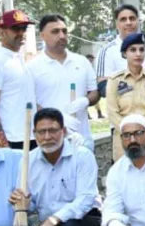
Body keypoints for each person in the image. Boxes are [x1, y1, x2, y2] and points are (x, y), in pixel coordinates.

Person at [16, 108, 101, 226]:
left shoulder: (82, 156)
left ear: (63, 131)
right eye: (41, 132)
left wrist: (54, 220)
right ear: (34, 134)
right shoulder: (27, 162)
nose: (47, 137)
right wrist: (21, 202)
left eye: (53, 130)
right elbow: (30, 205)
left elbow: (85, 200)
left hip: (85, 220)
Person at [29, 14, 99, 149]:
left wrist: (86, 101)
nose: (62, 36)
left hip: (82, 139)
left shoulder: (81, 62)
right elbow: (31, 102)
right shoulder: (32, 67)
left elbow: (94, 92)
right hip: (50, 142)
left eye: (64, 31)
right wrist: (57, 119)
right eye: (55, 31)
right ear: (42, 35)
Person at [105, 33, 145, 159]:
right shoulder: (115, 80)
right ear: (124, 53)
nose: (138, 54)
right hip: (125, 140)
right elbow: (112, 112)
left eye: (141, 50)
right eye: (133, 50)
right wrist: (130, 135)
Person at [0, 9, 36, 149]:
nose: (21, 33)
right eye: (15, 28)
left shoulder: (19, 58)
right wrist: (0, 138)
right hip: (13, 139)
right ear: (2, 32)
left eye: (24, 28)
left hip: (31, 135)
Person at [97, 4, 145, 94]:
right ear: (117, 24)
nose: (128, 23)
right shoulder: (107, 51)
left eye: (132, 18)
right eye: (123, 19)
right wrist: (133, 89)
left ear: (138, 21)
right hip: (122, 103)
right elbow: (103, 86)